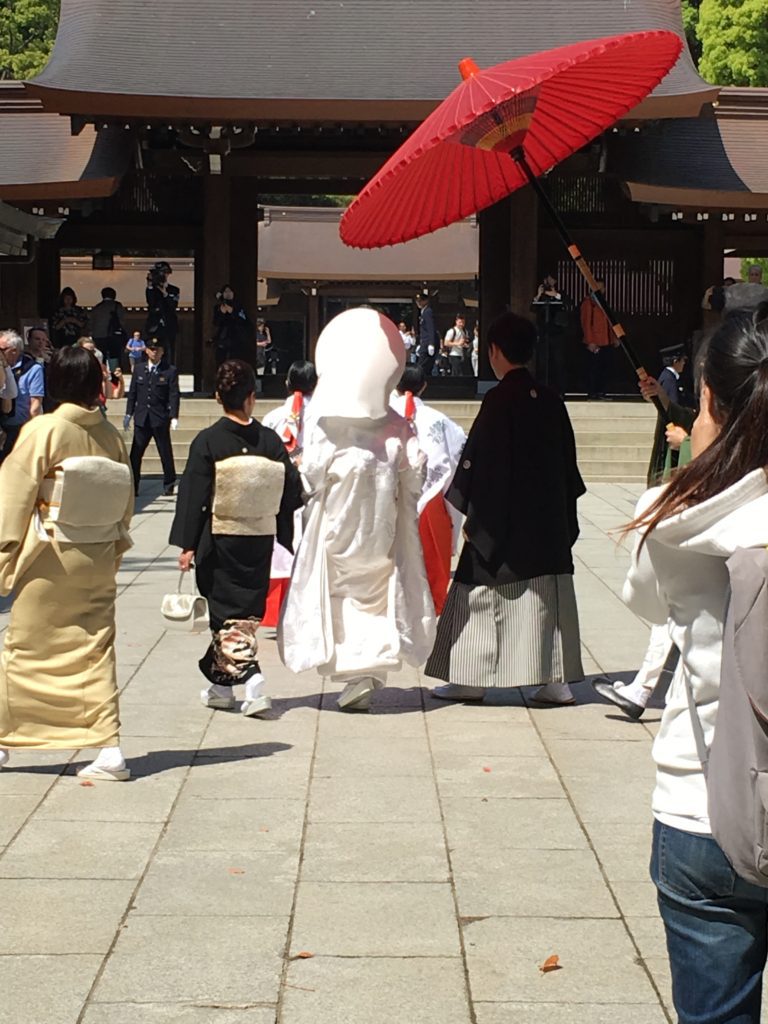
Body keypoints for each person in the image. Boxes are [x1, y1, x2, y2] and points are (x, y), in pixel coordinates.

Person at [621, 308, 768, 1023]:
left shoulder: (670, 518)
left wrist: (690, 461)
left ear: (709, 399)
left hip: (700, 805)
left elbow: (647, 606)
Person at [278, 307, 436, 712]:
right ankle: (368, 671)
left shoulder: (327, 427)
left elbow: (310, 477)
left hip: (338, 522)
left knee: (339, 596)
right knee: (378, 594)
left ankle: (355, 672)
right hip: (379, 527)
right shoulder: (399, 427)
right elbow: (415, 478)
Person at [425, 312, 585, 705]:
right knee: (547, 595)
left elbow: (482, 463)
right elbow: (568, 464)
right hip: (547, 521)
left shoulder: (499, 400)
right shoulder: (550, 399)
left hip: (502, 520)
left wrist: (471, 513)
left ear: (494, 351)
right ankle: (555, 680)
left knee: (478, 593)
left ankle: (469, 678)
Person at [0, 346, 134, 781]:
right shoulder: (111, 437)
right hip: (95, 553)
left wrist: (5, 558)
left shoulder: (45, 430)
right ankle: (109, 747)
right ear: (97, 383)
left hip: (50, 556)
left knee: (29, 650)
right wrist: (113, 549)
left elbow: (14, 497)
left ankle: (6, 740)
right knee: (95, 649)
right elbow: (124, 503)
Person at [170, 360, 302, 716]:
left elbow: (194, 495)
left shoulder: (208, 441)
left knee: (227, 615)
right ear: (251, 397)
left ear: (217, 397)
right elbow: (291, 490)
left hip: (220, 536)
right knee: (239, 615)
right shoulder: (270, 441)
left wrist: (188, 544)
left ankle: (255, 683)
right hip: (257, 537)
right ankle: (220, 688)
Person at [391, 365, 466, 614]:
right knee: (432, 556)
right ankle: (433, 603)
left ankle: (392, 604)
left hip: (390, 495)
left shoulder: (383, 414)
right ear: (424, 386)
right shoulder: (439, 419)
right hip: (431, 497)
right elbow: (458, 450)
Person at [261, 360, 317, 627]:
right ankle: (310, 609)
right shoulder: (325, 416)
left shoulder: (273, 417)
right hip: (316, 494)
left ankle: (277, 610)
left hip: (279, 494)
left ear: (287, 383)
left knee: (280, 550)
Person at [124, 339, 180, 496]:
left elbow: (174, 394)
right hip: (142, 417)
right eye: (151, 349)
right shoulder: (140, 369)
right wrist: (129, 413)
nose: (154, 352)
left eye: (157, 349)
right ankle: (133, 485)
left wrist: (174, 416)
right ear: (146, 351)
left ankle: (169, 483)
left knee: (165, 452)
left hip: (159, 417)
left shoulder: (169, 370)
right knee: (136, 453)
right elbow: (133, 393)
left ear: (162, 352)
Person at [0, 329, 45, 463]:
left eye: (1, 349)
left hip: (19, 428)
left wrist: (32, 432)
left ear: (13, 350)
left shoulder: (32, 368)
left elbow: (35, 403)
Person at [531, 273, 572, 396]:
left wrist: (556, 295)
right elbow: (532, 309)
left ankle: (560, 390)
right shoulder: (542, 296)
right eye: (548, 278)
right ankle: (542, 388)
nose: (550, 281)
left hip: (558, 333)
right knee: (543, 362)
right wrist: (539, 294)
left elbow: (568, 304)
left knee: (558, 362)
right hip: (544, 334)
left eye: (552, 279)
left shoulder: (561, 294)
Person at [580, 279, 618, 398]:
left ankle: (602, 392)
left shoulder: (604, 303)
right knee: (594, 368)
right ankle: (593, 392)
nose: (599, 290)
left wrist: (615, 337)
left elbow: (610, 322)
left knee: (605, 368)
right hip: (595, 341)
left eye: (601, 288)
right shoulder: (589, 303)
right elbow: (586, 323)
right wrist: (590, 341)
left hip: (607, 340)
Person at [145, 261, 180, 360]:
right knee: (153, 349)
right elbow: (151, 303)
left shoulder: (174, 290)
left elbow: (173, 305)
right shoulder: (151, 289)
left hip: (169, 325)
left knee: (170, 351)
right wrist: (150, 285)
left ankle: (170, 373)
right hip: (154, 325)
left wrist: (164, 292)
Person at [212, 285, 253, 368]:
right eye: (225, 292)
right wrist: (221, 313)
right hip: (223, 339)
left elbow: (244, 320)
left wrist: (232, 311)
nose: (228, 293)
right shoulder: (218, 308)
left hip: (238, 339)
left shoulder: (239, 306)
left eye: (230, 291)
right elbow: (216, 322)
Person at [89, 287, 127, 372]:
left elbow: (91, 324)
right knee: (114, 357)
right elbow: (122, 322)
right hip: (114, 336)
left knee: (100, 357)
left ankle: (102, 374)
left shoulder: (97, 307)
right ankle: (115, 378)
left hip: (99, 337)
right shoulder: (117, 306)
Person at [415, 291, 439, 377]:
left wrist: (431, 343)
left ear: (426, 301)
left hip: (427, 343)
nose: (419, 303)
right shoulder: (423, 312)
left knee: (422, 367)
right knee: (423, 366)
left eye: (421, 300)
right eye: (417, 301)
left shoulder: (428, 311)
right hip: (424, 343)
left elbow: (430, 328)